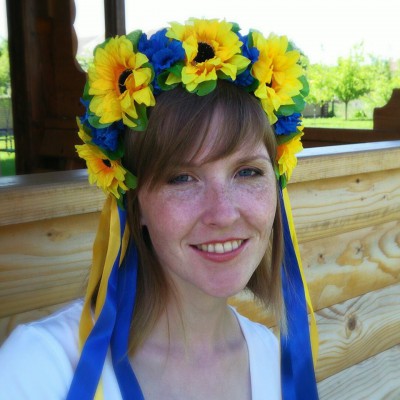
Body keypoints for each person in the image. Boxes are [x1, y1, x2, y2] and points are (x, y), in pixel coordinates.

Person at [0, 18, 318, 399]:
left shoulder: (268, 356)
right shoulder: (40, 368)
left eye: (247, 172)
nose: (224, 213)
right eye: (181, 178)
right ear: (136, 206)